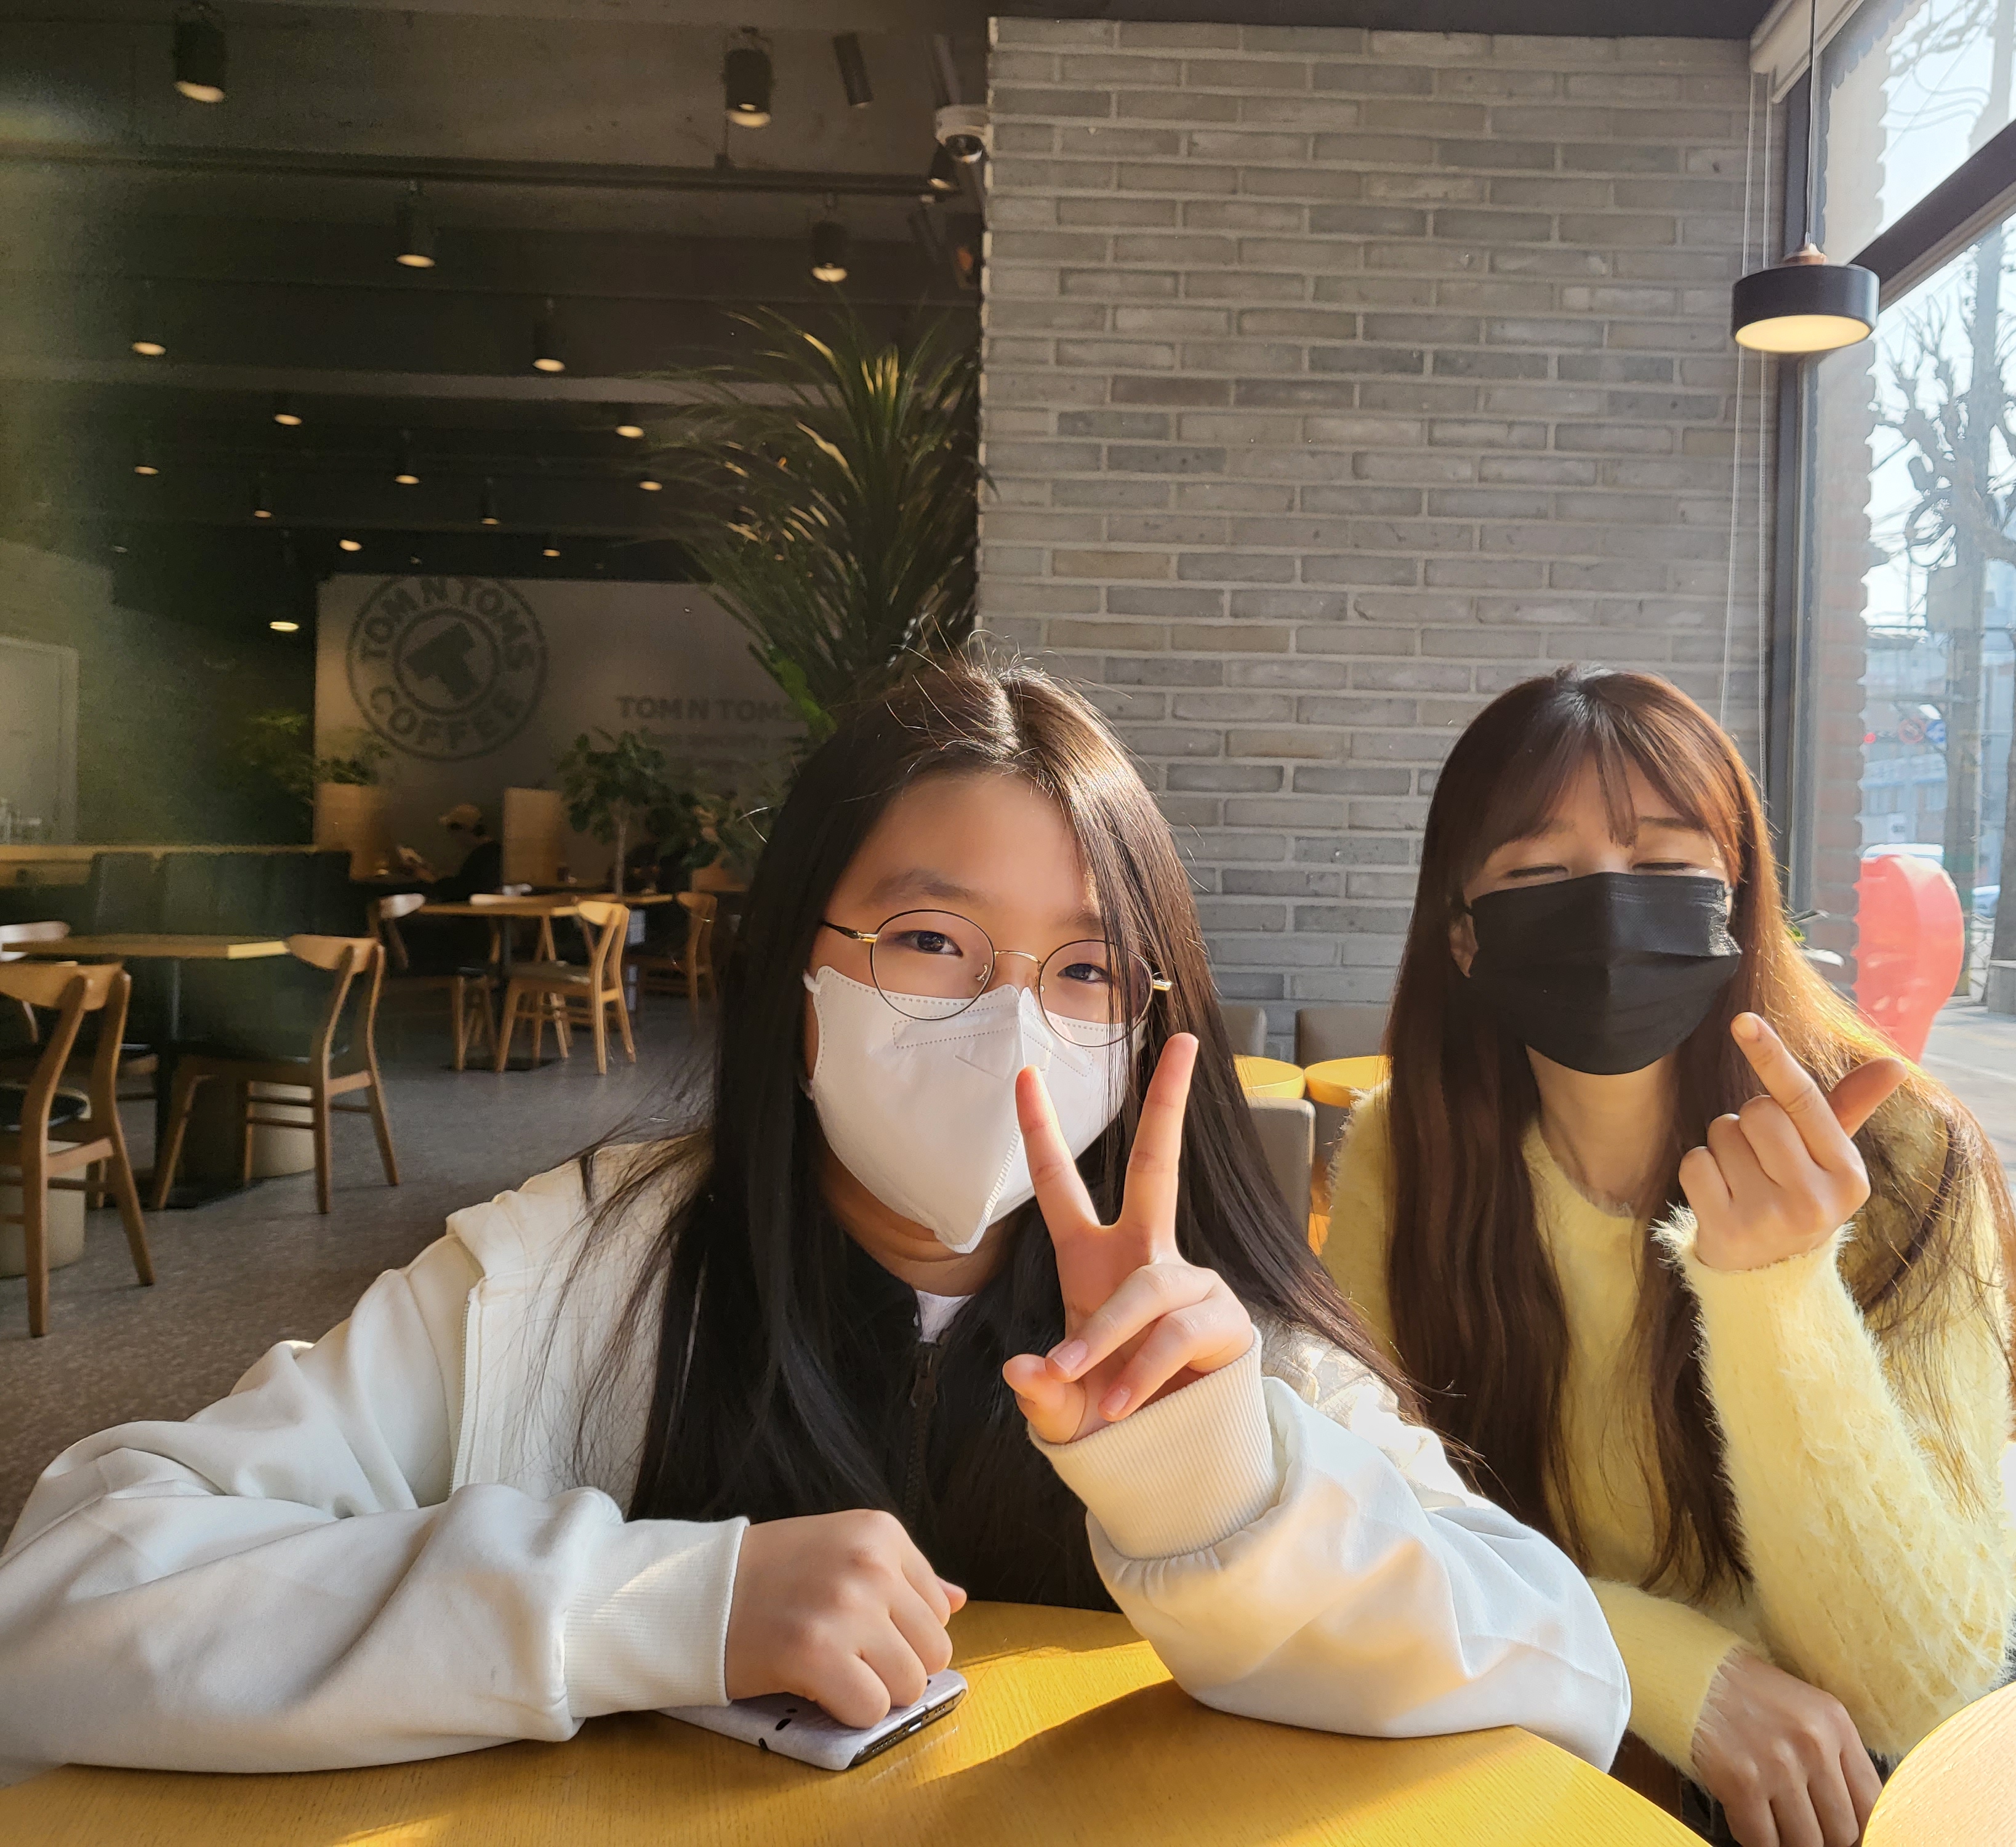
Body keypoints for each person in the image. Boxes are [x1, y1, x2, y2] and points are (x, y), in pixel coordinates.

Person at [0, 658, 1628, 1783]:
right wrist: (659, 1607)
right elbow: (65, 1607)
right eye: (929, 941)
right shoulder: (563, 1278)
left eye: (1083, 970)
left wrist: (1221, 1491)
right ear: (796, 967)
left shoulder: (1218, 1337)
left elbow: (1566, 1676)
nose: (1012, 1023)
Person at [1319, 668, 2016, 1847]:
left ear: (1736, 903)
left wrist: (1776, 1289)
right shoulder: (1407, 1160)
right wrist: (1672, 1669)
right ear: (1463, 934)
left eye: (1665, 865)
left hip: (2008, 1661)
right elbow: (1371, 1513)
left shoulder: (1897, 1149)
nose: (1608, 909)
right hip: (1629, 1709)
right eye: (1541, 874)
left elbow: (1905, 1680)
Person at [432, 802, 503, 902]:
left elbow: (462, 891)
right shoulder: (492, 851)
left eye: (453, 832)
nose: (453, 839)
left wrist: (433, 880)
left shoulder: (482, 856)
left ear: (462, 829)